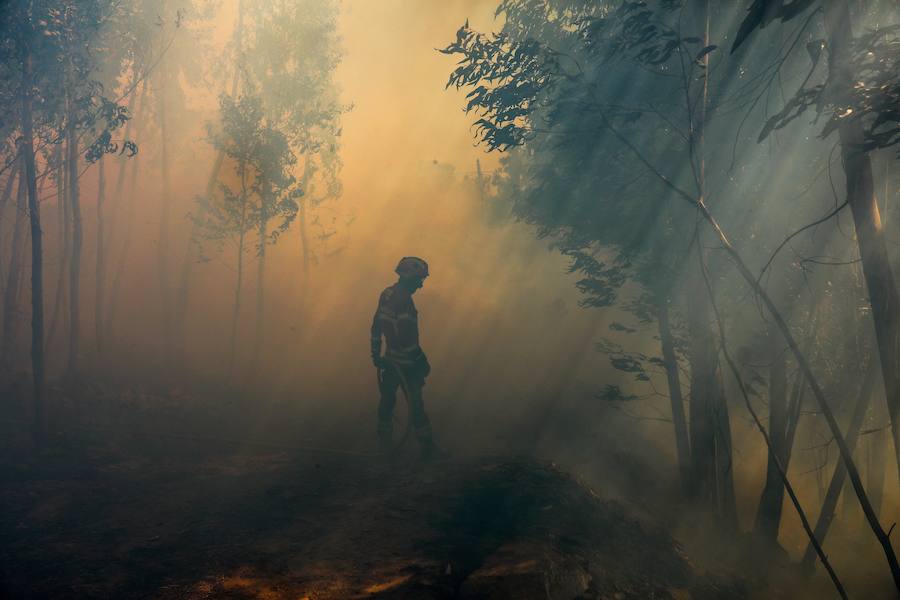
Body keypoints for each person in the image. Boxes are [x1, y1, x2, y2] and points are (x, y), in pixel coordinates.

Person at [370, 256, 438, 457]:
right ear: (408, 278)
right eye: (419, 280)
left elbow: (376, 326)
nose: (420, 286)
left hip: (389, 360)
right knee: (416, 406)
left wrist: (376, 354)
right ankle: (428, 448)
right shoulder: (404, 301)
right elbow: (406, 337)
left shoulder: (387, 294)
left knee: (387, 401)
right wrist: (420, 361)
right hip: (406, 365)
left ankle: (385, 444)